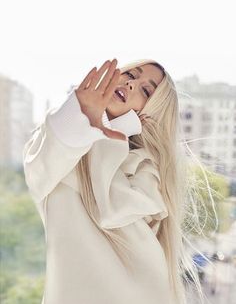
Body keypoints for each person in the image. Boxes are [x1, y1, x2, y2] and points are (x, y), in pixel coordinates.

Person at [23, 58, 207, 304]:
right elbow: (38, 173)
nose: (131, 84)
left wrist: (109, 131)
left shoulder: (147, 170)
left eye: (145, 90)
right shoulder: (59, 137)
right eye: (131, 74)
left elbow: (113, 211)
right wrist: (83, 119)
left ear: (149, 115)